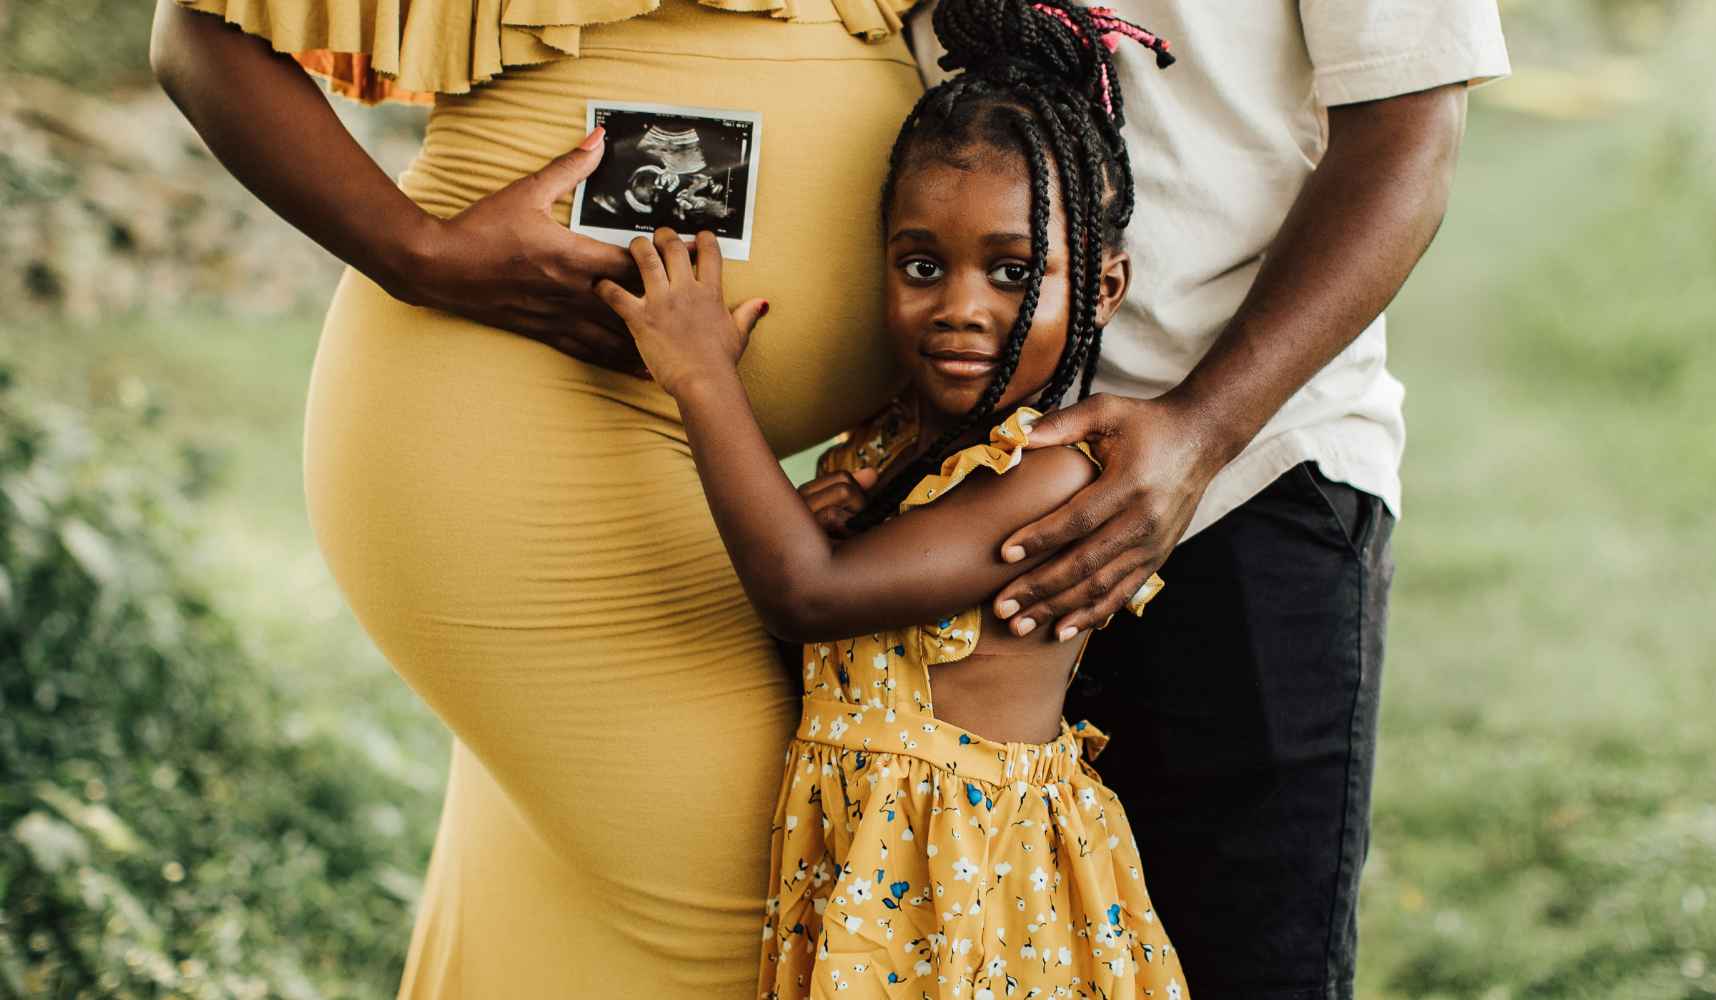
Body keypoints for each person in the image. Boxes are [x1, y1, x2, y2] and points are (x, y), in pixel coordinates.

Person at [149, 0, 927, 995]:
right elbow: (196, 31)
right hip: (511, 400)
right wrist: (415, 252)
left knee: (540, 928)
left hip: (712, 443)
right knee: (750, 905)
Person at [907, 1, 1511, 996]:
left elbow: (1408, 132)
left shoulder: (1238, 460)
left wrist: (1199, 433)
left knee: (1240, 961)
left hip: (1253, 475)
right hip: (973, 488)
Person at [591, 3, 1186, 994]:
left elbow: (809, 592)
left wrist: (701, 373)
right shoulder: (894, 442)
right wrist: (814, 520)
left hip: (975, 904)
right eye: (922, 266)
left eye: (1012, 271)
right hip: (869, 876)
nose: (961, 306)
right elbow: (841, 636)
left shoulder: (1049, 475)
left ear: (1106, 284)